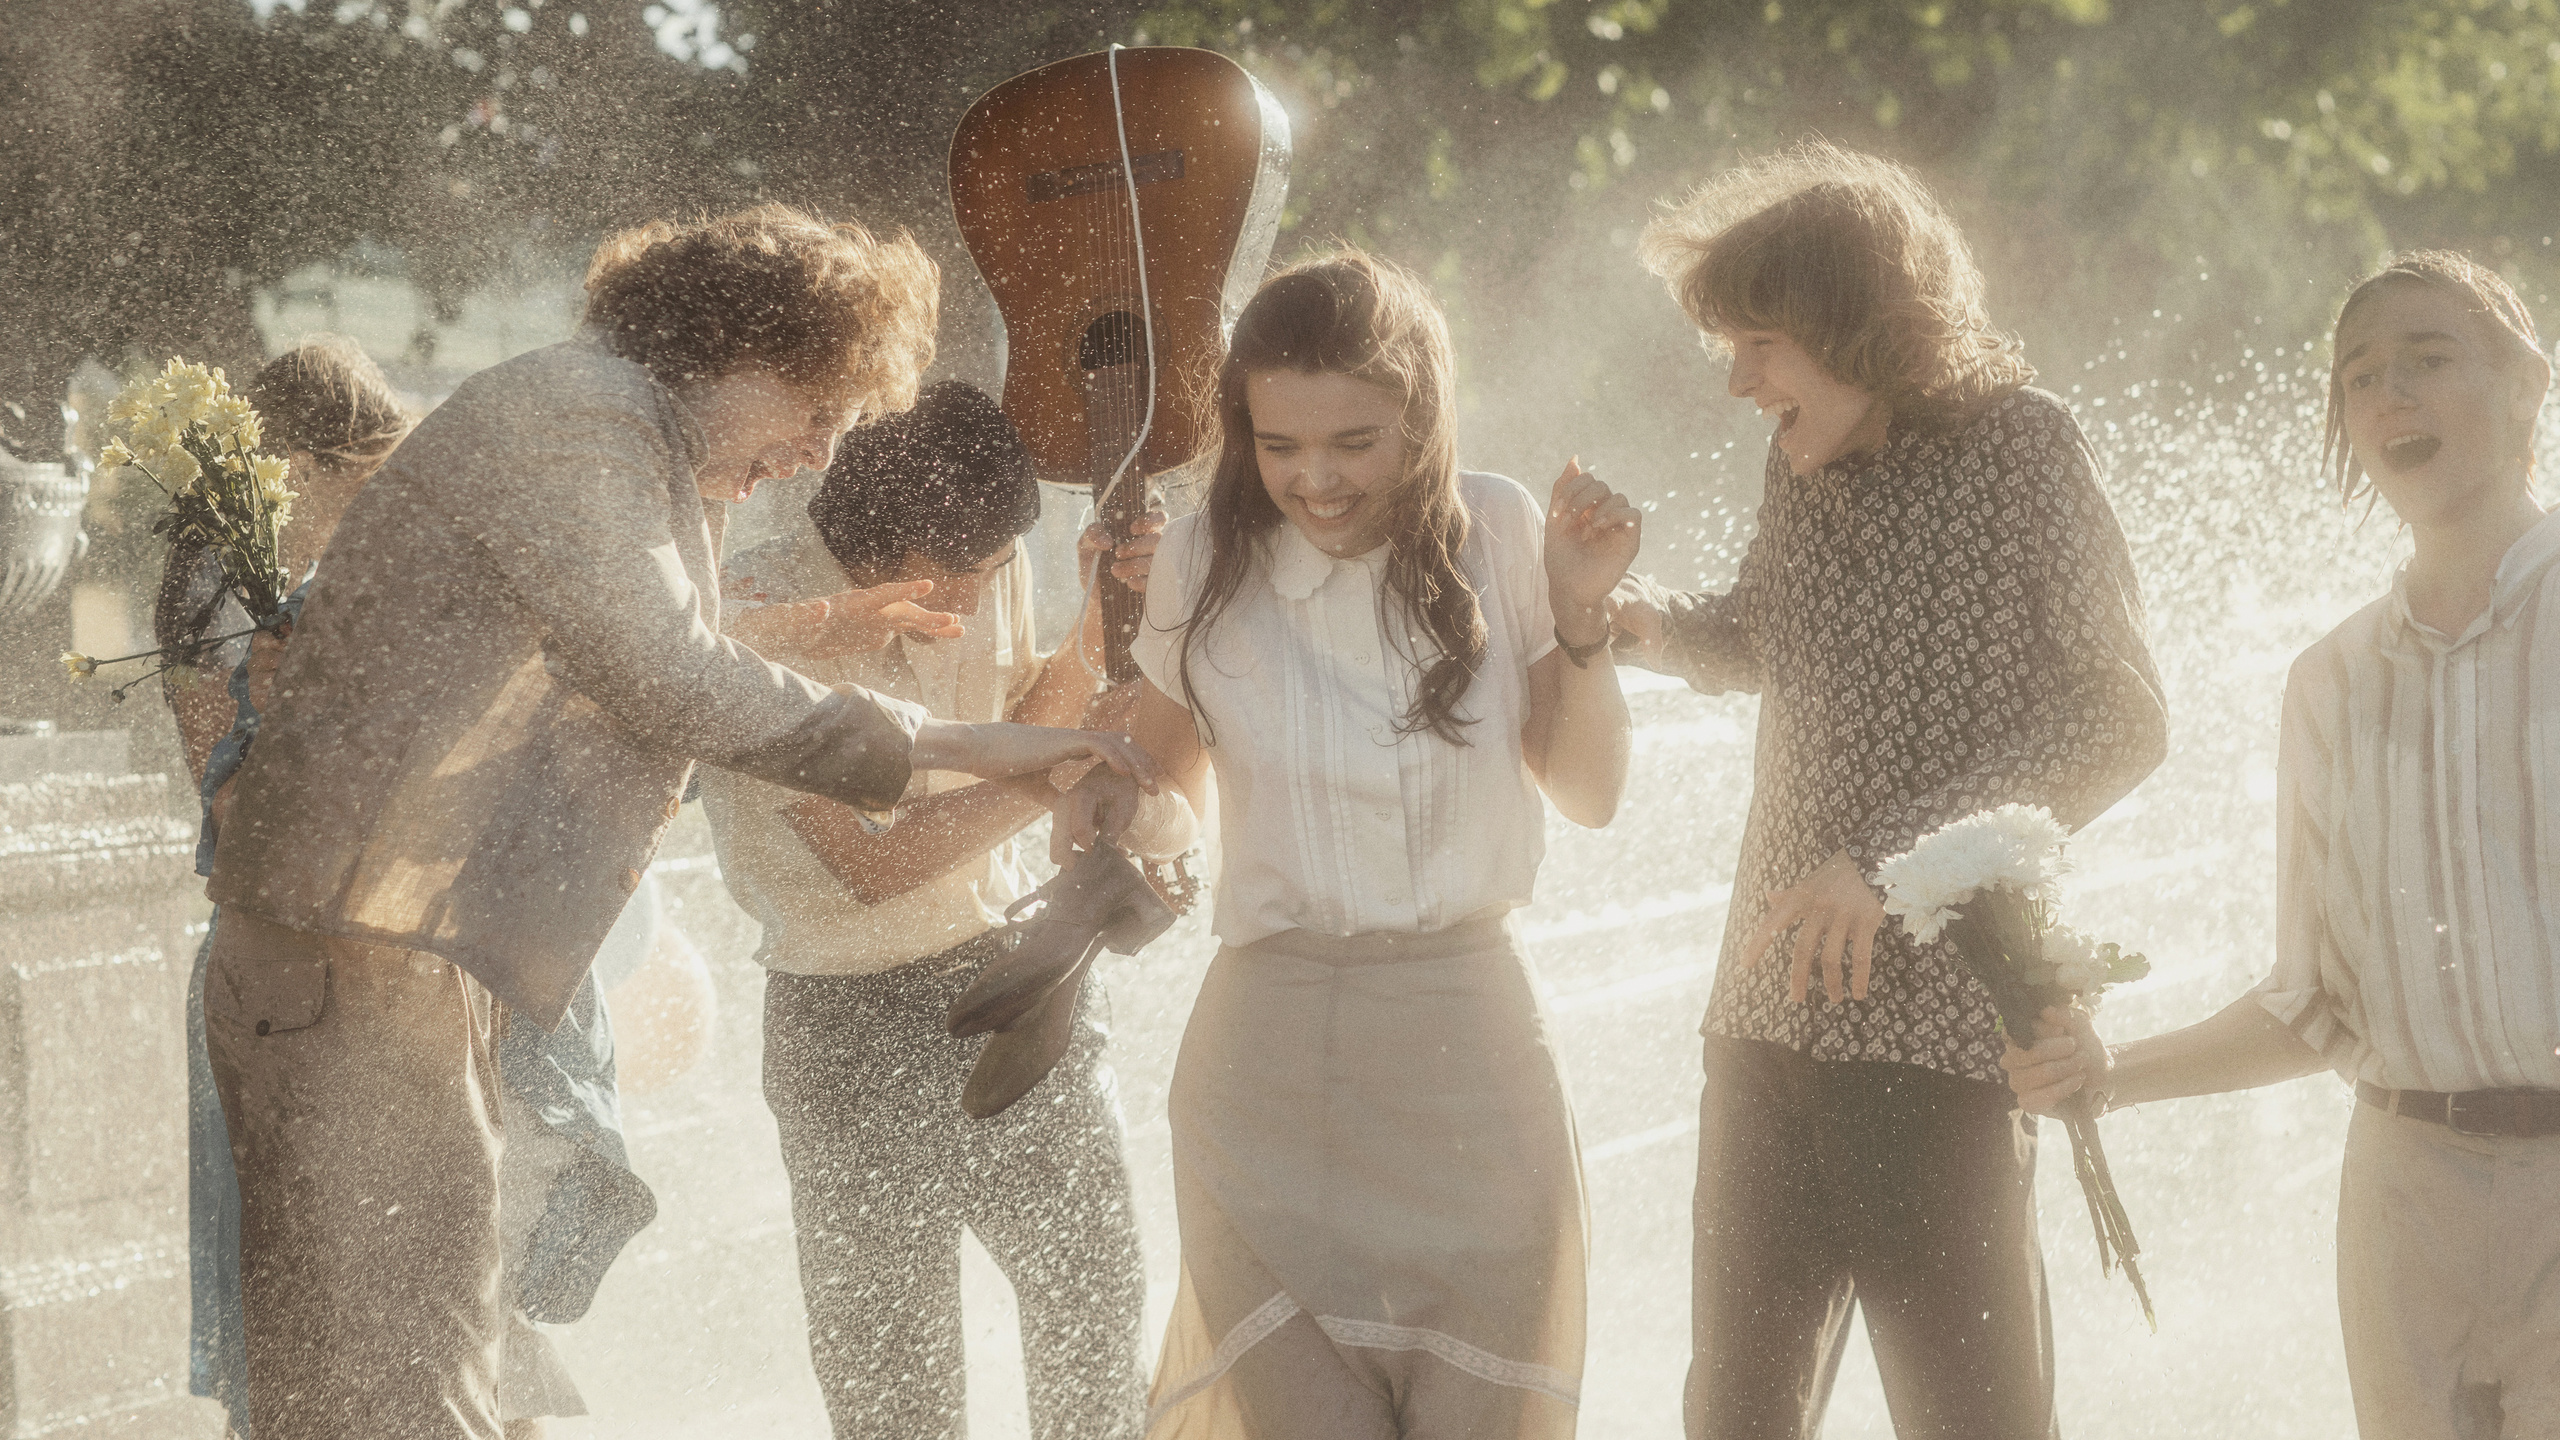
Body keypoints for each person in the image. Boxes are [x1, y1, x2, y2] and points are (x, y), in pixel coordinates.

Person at [197, 205, 1156, 1440]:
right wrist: (987, 747)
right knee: (406, 1394)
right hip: (349, 970)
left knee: (370, 1390)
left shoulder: (622, 436)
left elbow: (651, 675)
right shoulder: (582, 415)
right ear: (740, 344)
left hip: (384, 965)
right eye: (815, 412)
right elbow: (673, 671)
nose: (816, 457)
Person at [1608, 143, 2168, 1440]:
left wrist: (1898, 867)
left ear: (1850, 323)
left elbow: (2120, 718)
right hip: (1761, 1018)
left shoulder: (2026, 450)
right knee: (1734, 1420)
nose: (1741, 381)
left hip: (1942, 1038)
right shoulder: (1799, 467)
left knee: (1970, 1422)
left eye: (1759, 344)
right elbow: (1761, 634)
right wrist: (1633, 618)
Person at [2003, 251, 2560, 1437]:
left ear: (2525, 388)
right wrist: (2111, 1073)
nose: (2387, 396)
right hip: (2405, 1196)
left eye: (2426, 359)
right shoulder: (2330, 684)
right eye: (2359, 377)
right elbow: (2317, 1004)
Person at [1103, 251, 1639, 1438]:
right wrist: (1109, 800)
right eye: (1276, 444)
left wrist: (1585, 613)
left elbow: (1589, 794)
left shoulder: (1498, 527)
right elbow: (1154, 791)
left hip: (1474, 1055)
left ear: (1423, 415)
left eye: (1352, 440)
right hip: (1265, 1064)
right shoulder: (1196, 554)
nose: (1312, 479)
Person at [701, 380, 1150, 1439]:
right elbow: (878, 864)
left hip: (1013, 976)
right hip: (841, 1028)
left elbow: (1026, 717)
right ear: (883, 548)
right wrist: (1053, 781)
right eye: (956, 577)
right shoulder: (751, 619)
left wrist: (1094, 624)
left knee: (1093, 1311)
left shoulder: (986, 548)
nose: (977, 594)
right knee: (896, 1393)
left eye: (992, 571)